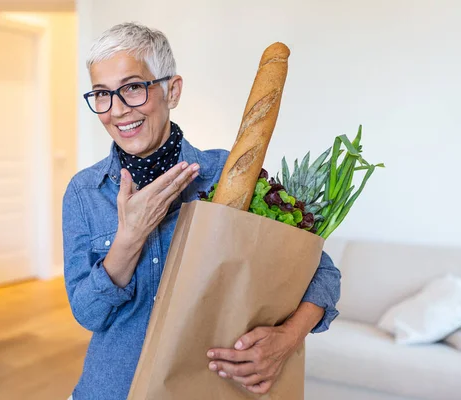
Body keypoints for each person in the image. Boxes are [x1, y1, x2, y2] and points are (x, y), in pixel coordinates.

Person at [62, 22, 341, 400]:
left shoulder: (227, 174)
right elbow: (87, 313)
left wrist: (286, 340)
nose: (117, 110)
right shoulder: (84, 192)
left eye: (132, 88)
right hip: (112, 390)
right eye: (102, 94)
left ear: (171, 90)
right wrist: (129, 239)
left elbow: (321, 272)